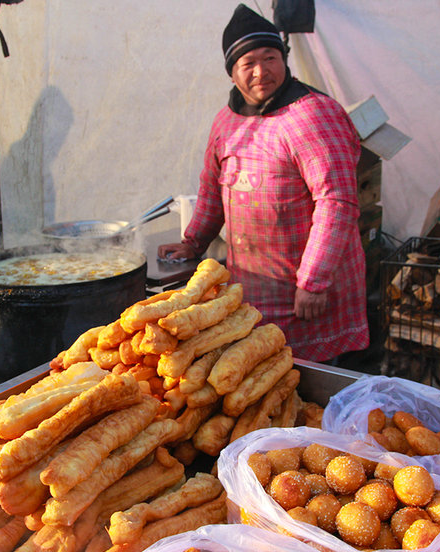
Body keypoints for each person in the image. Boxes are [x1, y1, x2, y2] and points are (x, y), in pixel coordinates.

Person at [158, 3, 368, 364]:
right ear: (232, 73)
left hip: (307, 293)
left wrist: (313, 282)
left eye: (270, 58)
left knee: (310, 390)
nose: (261, 72)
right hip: (254, 289)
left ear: (284, 59)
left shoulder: (313, 116)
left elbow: (337, 202)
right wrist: (193, 242)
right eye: (248, 63)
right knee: (261, 379)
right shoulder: (227, 121)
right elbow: (212, 188)